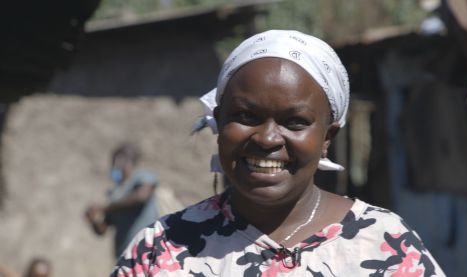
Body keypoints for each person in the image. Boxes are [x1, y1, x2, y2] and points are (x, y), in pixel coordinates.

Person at [111, 30, 445, 276]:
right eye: (246, 116)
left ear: (328, 136)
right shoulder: (163, 248)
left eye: (295, 122)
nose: (267, 138)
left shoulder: (384, 244)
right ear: (219, 122)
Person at [85, 143, 159, 258]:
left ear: (120, 159)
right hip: (124, 258)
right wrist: (93, 219)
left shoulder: (142, 176)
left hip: (146, 253)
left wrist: (104, 207)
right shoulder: (114, 193)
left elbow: (141, 196)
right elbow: (102, 230)